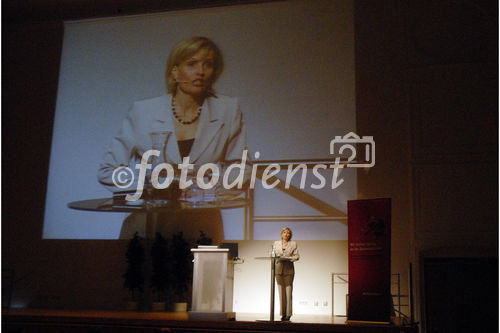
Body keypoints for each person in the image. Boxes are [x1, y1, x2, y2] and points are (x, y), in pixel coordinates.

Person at [97, 36, 250, 242]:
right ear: (175, 72)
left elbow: (242, 170)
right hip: (148, 228)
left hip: (201, 226)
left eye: (208, 65)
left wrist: (203, 187)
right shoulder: (143, 111)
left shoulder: (228, 110)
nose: (201, 72)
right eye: (192, 64)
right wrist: (155, 186)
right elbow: (108, 171)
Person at [273, 227, 299, 321]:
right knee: (281, 292)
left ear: (290, 235)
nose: (286, 234)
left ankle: (288, 314)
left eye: (288, 233)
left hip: (288, 269)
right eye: (284, 232)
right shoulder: (276, 243)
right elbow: (273, 254)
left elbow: (297, 256)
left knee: (288, 292)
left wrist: (289, 258)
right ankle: (282, 313)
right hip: (278, 269)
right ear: (281, 234)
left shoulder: (293, 243)